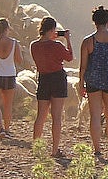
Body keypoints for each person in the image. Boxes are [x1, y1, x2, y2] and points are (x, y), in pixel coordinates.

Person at [80, 5, 108, 159]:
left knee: (94, 115)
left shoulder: (88, 41)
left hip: (93, 81)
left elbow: (83, 66)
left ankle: (97, 150)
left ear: (94, 22)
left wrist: (81, 84)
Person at [31, 16, 73, 157]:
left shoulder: (34, 45)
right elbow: (69, 57)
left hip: (43, 78)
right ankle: (54, 150)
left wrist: (52, 38)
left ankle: (36, 147)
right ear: (53, 29)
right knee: (56, 117)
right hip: (57, 78)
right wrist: (67, 39)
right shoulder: (57, 46)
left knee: (41, 116)